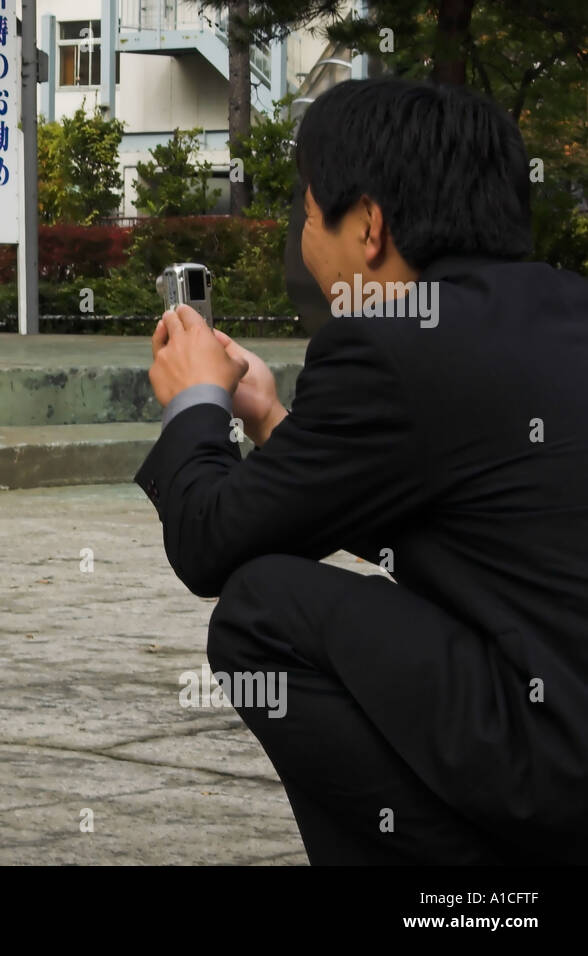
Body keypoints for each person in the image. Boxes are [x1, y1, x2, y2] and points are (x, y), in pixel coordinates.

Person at [134, 76, 588, 864]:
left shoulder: (393, 344)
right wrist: (269, 419)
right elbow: (453, 521)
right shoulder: (561, 309)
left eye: (311, 220)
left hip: (563, 765)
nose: (307, 245)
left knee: (262, 609)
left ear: (368, 226)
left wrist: (194, 405)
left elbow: (211, 545)